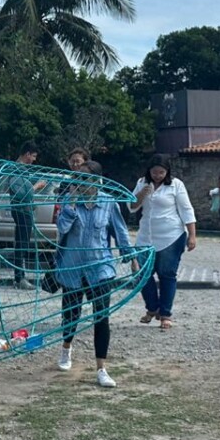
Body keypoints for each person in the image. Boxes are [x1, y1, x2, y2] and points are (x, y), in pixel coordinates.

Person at [53, 161, 135, 388]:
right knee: (71, 313)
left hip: (100, 268)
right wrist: (70, 204)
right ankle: (66, 348)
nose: (80, 183)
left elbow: (120, 232)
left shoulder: (108, 202)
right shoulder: (68, 200)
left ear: (97, 181)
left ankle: (101, 368)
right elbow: (62, 228)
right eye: (78, 178)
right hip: (72, 267)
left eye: (85, 178)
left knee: (101, 316)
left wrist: (131, 257)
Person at [130, 154, 197, 329]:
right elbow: (132, 207)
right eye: (155, 172)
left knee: (167, 274)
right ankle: (152, 308)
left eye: (161, 172)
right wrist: (141, 194)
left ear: (167, 171)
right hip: (146, 236)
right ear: (149, 171)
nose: (158, 176)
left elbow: (186, 209)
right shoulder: (142, 183)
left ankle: (165, 314)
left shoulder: (176, 184)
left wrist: (192, 235)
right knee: (142, 273)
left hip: (171, 236)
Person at [3, 141, 46, 287]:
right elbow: (21, 193)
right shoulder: (16, 170)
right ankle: (20, 278)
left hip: (23, 210)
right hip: (21, 210)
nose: (34, 160)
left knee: (22, 243)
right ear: (27, 154)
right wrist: (36, 186)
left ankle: (20, 277)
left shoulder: (20, 170)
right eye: (33, 156)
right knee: (22, 244)